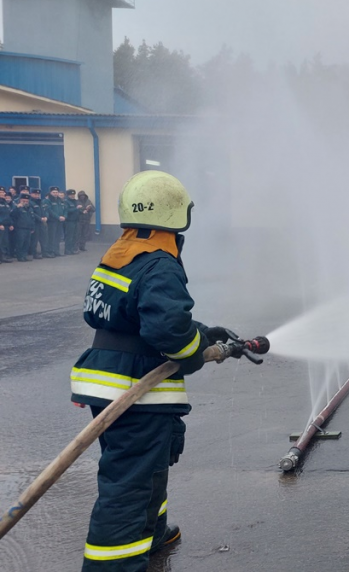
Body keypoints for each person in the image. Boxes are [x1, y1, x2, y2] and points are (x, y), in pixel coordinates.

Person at [71, 170, 235, 572]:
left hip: (110, 382)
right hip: (135, 390)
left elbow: (129, 316)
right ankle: (114, 565)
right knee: (129, 483)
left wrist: (199, 331)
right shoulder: (160, 263)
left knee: (149, 469)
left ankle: (150, 532)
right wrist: (194, 348)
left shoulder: (122, 253)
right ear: (174, 217)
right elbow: (166, 331)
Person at [11, 194, 35, 262]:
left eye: (26, 201)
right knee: (20, 243)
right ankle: (20, 256)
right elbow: (12, 215)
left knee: (26, 243)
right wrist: (17, 208)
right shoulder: (17, 207)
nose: (25, 202)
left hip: (28, 228)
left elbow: (32, 218)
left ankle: (24, 256)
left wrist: (32, 227)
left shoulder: (30, 208)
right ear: (20, 200)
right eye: (23, 201)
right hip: (20, 228)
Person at [45, 186, 66, 257]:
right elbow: (50, 211)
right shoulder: (47, 201)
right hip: (52, 221)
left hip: (60, 221)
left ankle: (57, 251)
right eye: (54, 192)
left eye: (57, 192)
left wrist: (64, 216)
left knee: (58, 237)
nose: (55, 193)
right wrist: (58, 217)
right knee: (51, 237)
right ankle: (50, 251)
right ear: (50, 192)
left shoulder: (60, 200)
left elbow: (64, 209)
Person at [64, 189, 81, 255]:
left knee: (75, 236)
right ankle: (67, 250)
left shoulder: (75, 201)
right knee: (69, 236)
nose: (72, 196)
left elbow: (77, 211)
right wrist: (76, 208)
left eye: (73, 195)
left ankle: (73, 249)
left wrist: (82, 212)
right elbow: (67, 210)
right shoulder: (66, 202)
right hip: (69, 221)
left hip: (76, 221)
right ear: (68, 195)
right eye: (71, 195)